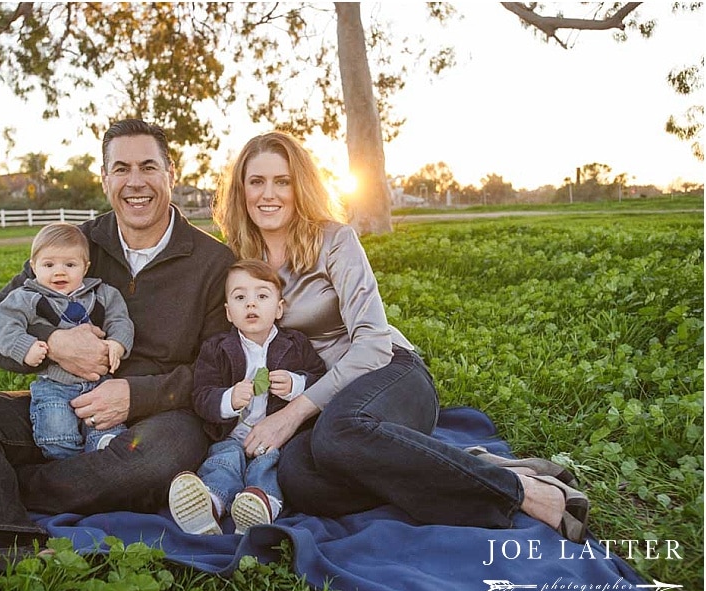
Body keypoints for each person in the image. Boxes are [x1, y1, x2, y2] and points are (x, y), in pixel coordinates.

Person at [0, 119, 236, 557]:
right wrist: (54, 345)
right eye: (120, 169)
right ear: (104, 178)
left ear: (169, 173)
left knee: (150, 463)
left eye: (147, 167)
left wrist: (135, 396)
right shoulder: (73, 243)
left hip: (163, 416)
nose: (134, 182)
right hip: (61, 399)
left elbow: (219, 367)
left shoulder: (213, 261)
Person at [212, 131, 589, 544]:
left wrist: (294, 412)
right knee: (301, 481)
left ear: (299, 185)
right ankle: (453, 462)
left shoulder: (335, 241)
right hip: (326, 399)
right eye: (256, 181)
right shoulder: (240, 261)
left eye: (282, 181)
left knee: (338, 435)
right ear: (241, 190)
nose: (269, 194)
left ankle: (520, 491)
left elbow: (372, 343)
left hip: (389, 373)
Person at [168, 259, 326, 535]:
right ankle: (211, 505)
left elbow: (319, 379)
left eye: (262, 296)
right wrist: (228, 398)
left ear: (279, 308)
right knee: (223, 462)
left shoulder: (296, 344)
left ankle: (261, 506)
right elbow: (202, 395)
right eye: (240, 297)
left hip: (277, 437)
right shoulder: (216, 349)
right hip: (232, 435)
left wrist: (295, 384)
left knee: (267, 466)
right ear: (229, 312)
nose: (251, 304)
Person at [0, 222, 133, 458]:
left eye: (70, 264)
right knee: (57, 432)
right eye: (49, 265)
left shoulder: (102, 294)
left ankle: (102, 448)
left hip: (100, 383)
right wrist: (25, 347)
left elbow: (120, 321)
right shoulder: (27, 297)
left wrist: (117, 344)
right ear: (33, 267)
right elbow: (5, 324)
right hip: (54, 384)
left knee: (105, 427)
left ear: (85, 267)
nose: (59, 272)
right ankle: (63, 461)